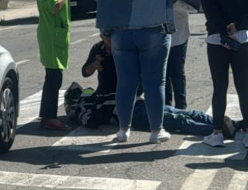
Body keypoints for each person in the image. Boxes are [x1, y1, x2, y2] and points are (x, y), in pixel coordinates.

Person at [86, 0, 191, 144]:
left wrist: (111, 4)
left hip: (121, 33)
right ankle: (156, 130)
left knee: (126, 83)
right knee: (155, 82)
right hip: (153, 30)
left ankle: (123, 130)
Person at [66, 34, 243, 137]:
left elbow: (141, 83)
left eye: (111, 37)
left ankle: (235, 125)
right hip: (117, 106)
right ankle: (221, 130)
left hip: (134, 100)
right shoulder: (98, 49)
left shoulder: (126, 50)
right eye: (105, 37)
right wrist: (93, 66)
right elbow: (84, 72)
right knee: (177, 120)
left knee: (182, 113)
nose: (108, 42)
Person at [200, 0, 248, 148]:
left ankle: (217, 133)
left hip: (216, 39)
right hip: (243, 37)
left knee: (219, 87)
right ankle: (247, 132)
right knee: (244, 87)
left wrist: (222, 31)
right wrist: (236, 25)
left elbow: (209, 9)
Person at [36, 0, 76, 131]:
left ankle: (47, 115)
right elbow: (53, 7)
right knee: (54, 77)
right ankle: (49, 117)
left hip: (56, 34)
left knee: (53, 76)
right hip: (51, 36)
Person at [164, 1, 194, 109]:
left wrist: (176, 3)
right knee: (164, 74)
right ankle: (166, 105)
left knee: (177, 72)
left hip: (179, 37)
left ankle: (181, 106)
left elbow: (194, 8)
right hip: (161, 37)